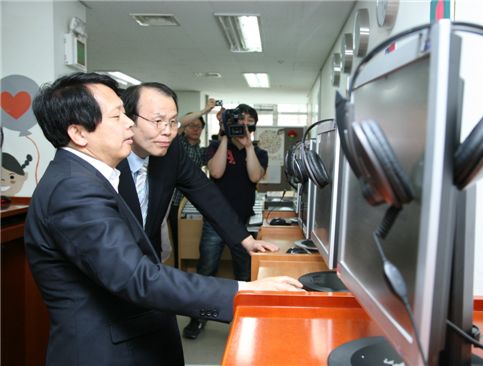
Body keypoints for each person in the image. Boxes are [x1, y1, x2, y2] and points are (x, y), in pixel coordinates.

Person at [25, 72, 303, 366]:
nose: (129, 124)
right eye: (118, 115)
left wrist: (243, 240)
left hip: (141, 322)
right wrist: (244, 291)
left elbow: (203, 191)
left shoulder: (91, 177)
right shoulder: (75, 190)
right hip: (108, 347)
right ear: (79, 133)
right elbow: (135, 277)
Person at [116, 83, 278, 263]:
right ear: (127, 119)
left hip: (148, 261)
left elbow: (204, 191)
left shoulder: (171, 151)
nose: (168, 131)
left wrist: (246, 240)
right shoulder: (105, 158)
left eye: (172, 122)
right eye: (158, 121)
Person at [184, 104, 266, 339]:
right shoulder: (215, 146)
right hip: (215, 221)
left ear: (253, 125)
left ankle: (244, 319)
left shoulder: (258, 152)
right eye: (239, 122)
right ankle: (197, 318)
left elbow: (254, 176)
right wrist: (223, 138)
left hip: (243, 223)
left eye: (247, 122)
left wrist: (248, 146)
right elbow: (216, 173)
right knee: (206, 269)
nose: (242, 126)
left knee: (243, 273)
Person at [168, 112, 208, 267]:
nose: (195, 129)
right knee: (176, 238)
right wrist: (205, 110)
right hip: (174, 200)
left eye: (199, 126)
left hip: (191, 202)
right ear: (185, 128)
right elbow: (178, 124)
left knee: (190, 236)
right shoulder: (177, 143)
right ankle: (177, 266)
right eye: (191, 125)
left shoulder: (201, 151)